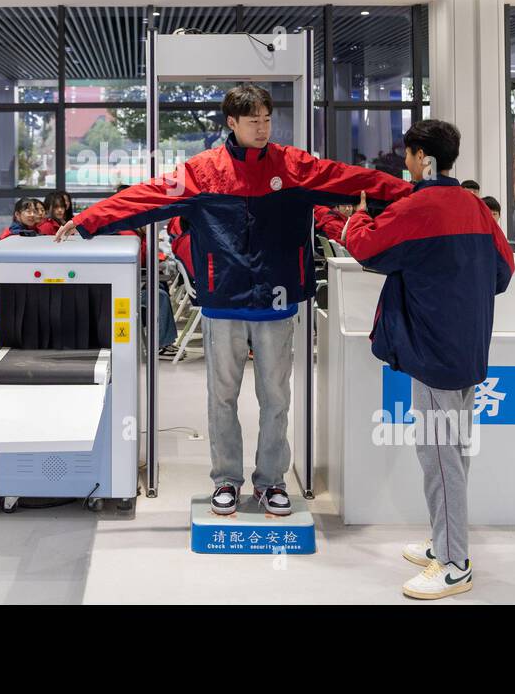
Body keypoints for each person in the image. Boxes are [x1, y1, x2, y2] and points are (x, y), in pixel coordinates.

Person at [55, 84, 412, 516]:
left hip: (277, 303)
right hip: (223, 301)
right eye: (252, 121)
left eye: (266, 119)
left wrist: (414, 194)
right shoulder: (202, 172)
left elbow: (354, 179)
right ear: (232, 123)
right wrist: (88, 219)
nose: (262, 128)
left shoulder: (294, 167)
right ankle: (226, 479)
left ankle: (271, 481)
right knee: (221, 398)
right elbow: (145, 197)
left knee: (276, 399)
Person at [344, 120, 514, 600]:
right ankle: (445, 543)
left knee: (440, 456)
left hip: (433, 349)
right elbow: (504, 271)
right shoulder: (475, 207)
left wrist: (357, 216)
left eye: (409, 154)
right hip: (466, 346)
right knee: (452, 452)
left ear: (422, 157)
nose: (406, 162)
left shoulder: (419, 206)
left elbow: (366, 248)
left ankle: (455, 563)